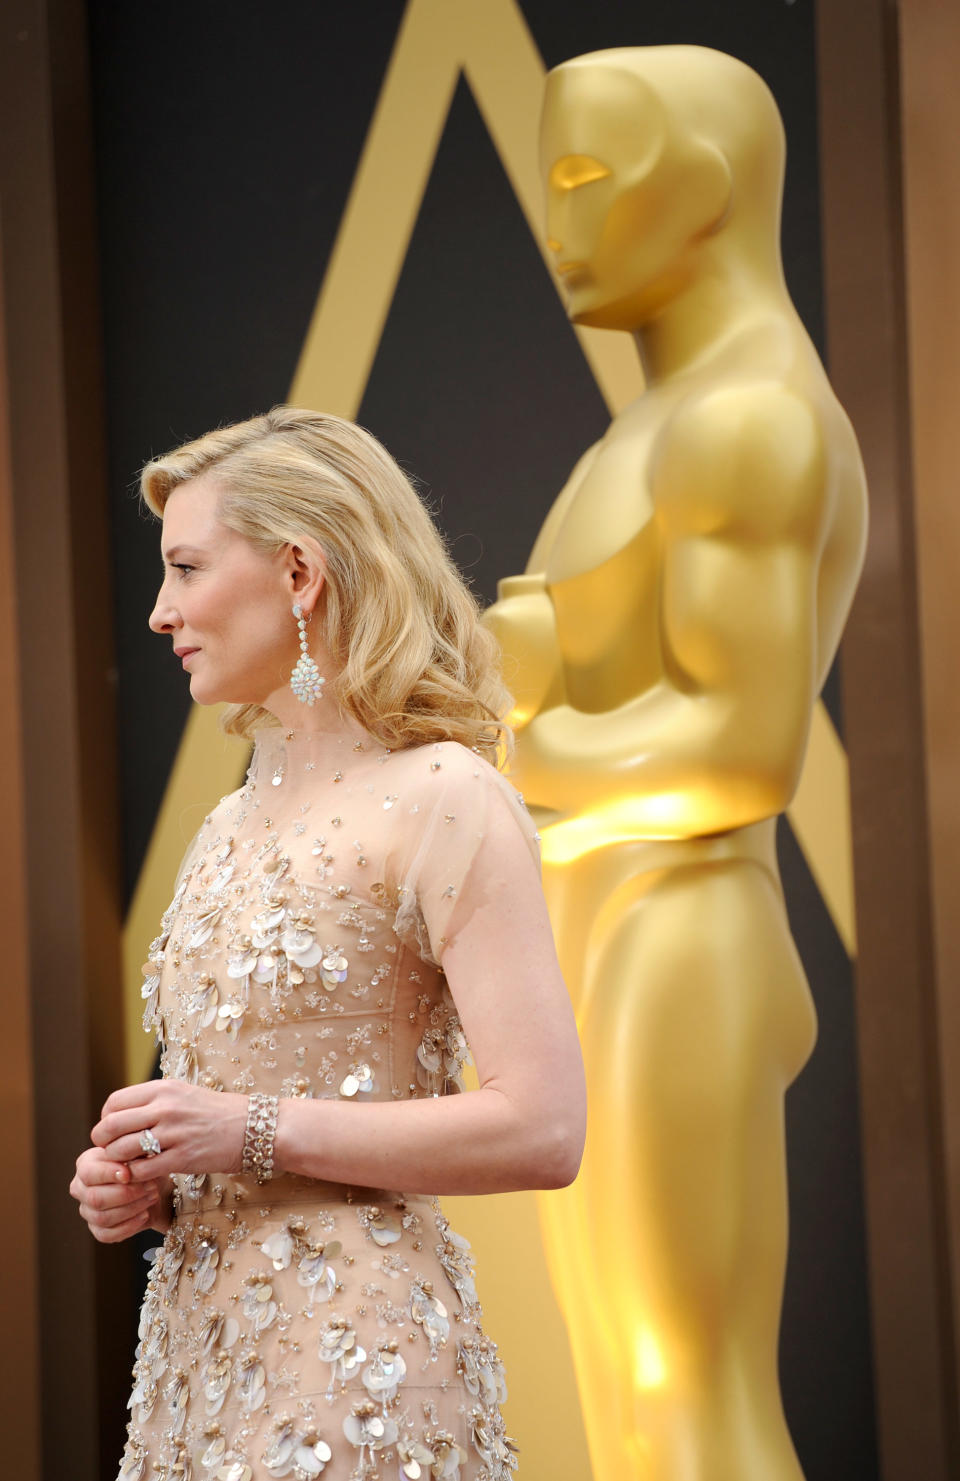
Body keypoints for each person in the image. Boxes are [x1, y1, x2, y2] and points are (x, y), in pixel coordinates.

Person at [70, 407, 586, 1481]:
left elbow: (544, 1125)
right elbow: (231, 1123)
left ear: (299, 570)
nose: (161, 612)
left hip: (357, 1373)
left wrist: (246, 1127)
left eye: (186, 567)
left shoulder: (446, 795)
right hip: (192, 1360)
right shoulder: (228, 820)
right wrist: (149, 1178)